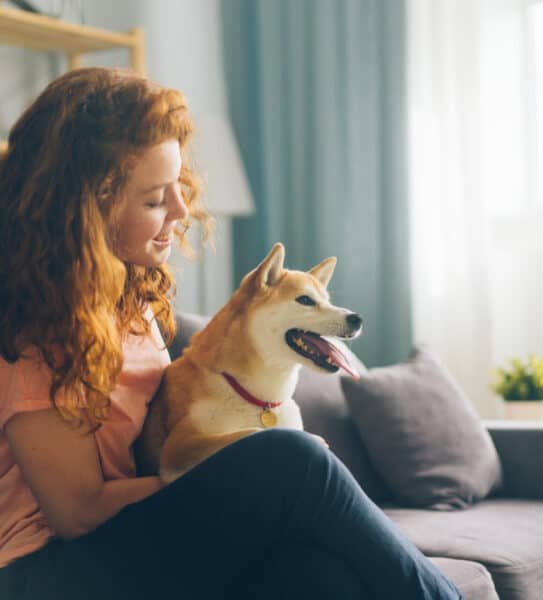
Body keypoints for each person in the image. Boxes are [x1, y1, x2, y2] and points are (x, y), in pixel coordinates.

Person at [0, 67, 463, 600]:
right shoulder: (34, 333)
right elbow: (77, 514)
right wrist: (241, 467)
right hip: (47, 572)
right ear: (84, 213)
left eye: (178, 187)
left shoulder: (132, 307)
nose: (181, 210)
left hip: (134, 535)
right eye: (154, 200)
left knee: (318, 576)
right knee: (295, 461)